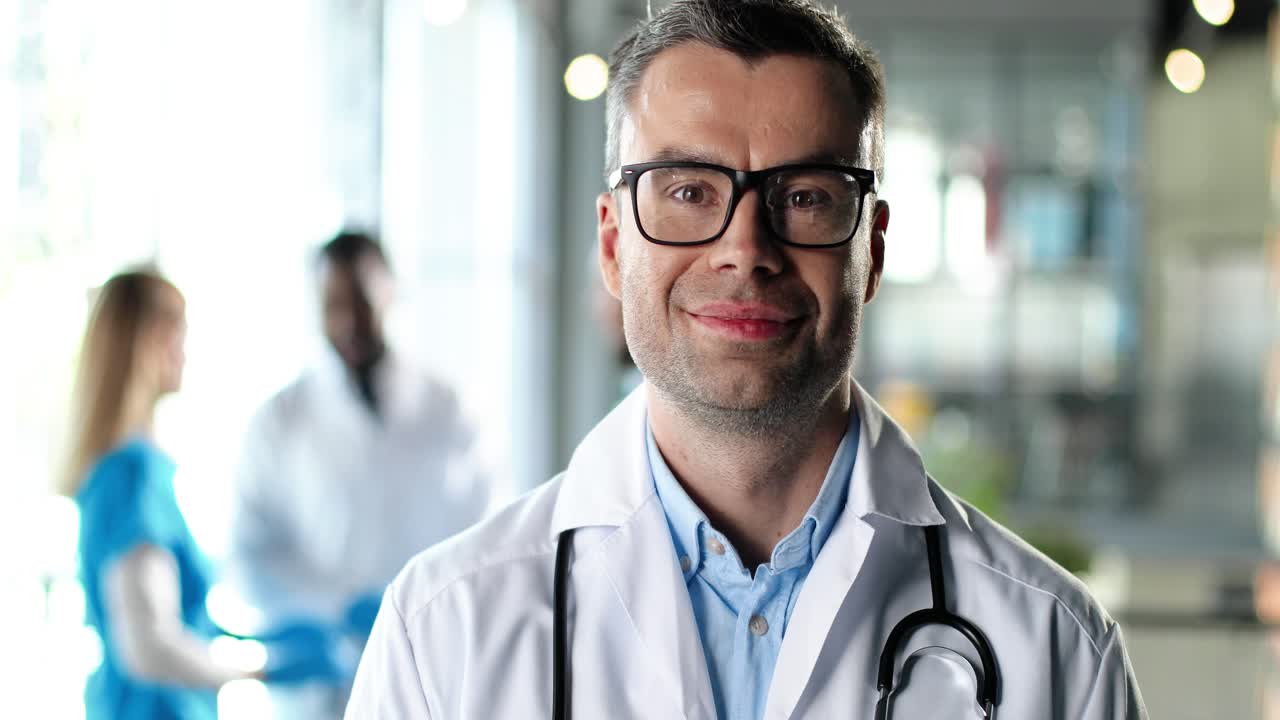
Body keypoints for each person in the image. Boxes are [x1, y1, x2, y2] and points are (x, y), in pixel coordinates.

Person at [346, 1, 1148, 718]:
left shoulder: (1056, 651)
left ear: (869, 247)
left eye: (804, 196)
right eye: (689, 190)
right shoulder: (441, 636)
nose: (744, 250)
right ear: (613, 243)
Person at [61, 268, 346, 720]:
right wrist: (261, 671)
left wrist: (249, 642)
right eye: (178, 335)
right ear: (146, 343)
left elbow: (166, 620)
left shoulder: (134, 471)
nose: (186, 353)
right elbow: (148, 647)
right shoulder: (131, 476)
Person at [228, 231, 492, 718]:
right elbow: (249, 553)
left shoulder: (448, 409)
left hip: (435, 664)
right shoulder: (279, 420)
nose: (349, 321)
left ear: (390, 293)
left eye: (363, 303)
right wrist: (331, 611)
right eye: (334, 305)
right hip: (320, 690)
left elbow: (488, 534)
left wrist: (419, 607)